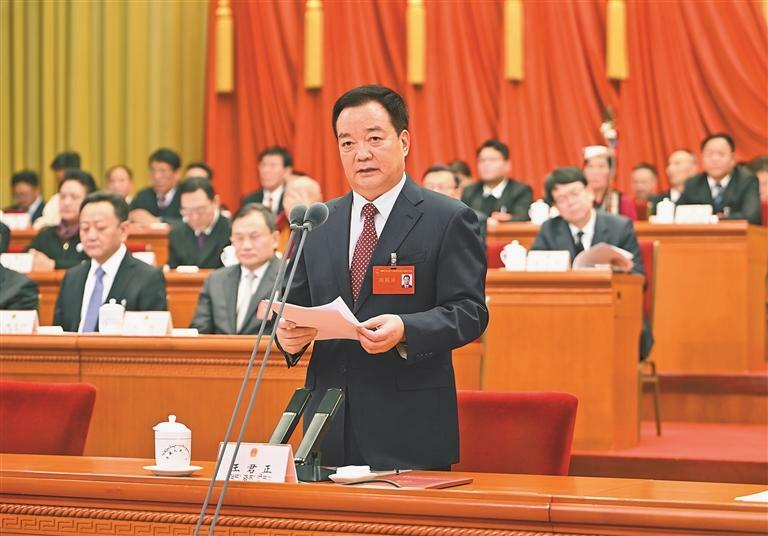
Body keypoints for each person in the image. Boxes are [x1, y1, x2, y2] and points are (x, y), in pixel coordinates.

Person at [276, 85, 488, 470]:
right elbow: (295, 307)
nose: (361, 153)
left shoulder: (448, 218)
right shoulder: (318, 222)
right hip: (327, 429)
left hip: (409, 429)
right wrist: (287, 337)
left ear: (404, 141)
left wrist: (406, 328)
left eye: (374, 138)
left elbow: (470, 312)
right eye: (347, 143)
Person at [531, 167, 652, 359]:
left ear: (589, 192)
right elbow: (536, 271)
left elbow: (640, 278)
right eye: (561, 199)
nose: (571, 202)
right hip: (565, 314)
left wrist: (617, 271)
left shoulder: (619, 227)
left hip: (613, 313)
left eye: (575, 193)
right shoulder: (549, 230)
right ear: (555, 206)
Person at [53, 192, 167, 332]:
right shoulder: (72, 277)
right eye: (85, 228)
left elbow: (152, 337)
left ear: (123, 230)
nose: (91, 236)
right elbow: (58, 334)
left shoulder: (148, 278)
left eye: (100, 228)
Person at [190, 204, 281, 334]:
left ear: (275, 239)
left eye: (254, 236)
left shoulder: (289, 279)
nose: (246, 246)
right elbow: (199, 331)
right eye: (239, 238)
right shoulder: (216, 280)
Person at [677, 133, 761, 225]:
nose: (715, 159)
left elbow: (751, 216)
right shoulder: (693, 183)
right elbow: (677, 214)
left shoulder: (747, 181)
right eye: (710, 154)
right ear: (702, 158)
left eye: (721, 154)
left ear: (732, 158)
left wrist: (715, 219)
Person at [26, 170, 96, 270]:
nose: (66, 202)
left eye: (74, 197)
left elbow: (95, 265)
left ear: (89, 200)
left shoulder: (94, 235)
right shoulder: (46, 234)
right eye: (62, 197)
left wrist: (54, 265)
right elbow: (26, 258)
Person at [167, 177, 231, 269]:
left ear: (215, 202)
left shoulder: (231, 230)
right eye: (187, 211)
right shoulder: (176, 234)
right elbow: (172, 272)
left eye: (200, 210)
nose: (195, 217)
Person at [461, 139, 532, 221]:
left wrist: (507, 219)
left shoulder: (520, 191)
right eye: (482, 160)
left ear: (507, 165)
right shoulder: (469, 192)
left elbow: (522, 217)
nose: (486, 164)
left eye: (492, 160)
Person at [423, 165, 487, 242]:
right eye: (429, 187)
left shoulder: (473, 219)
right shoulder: (414, 218)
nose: (435, 191)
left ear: (457, 192)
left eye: (442, 187)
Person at [582, 145, 638, 220]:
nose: (595, 172)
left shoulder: (624, 202)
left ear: (611, 172)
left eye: (601, 167)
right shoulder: (576, 201)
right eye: (590, 166)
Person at [129, 148, 183, 224]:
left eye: (163, 171)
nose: (156, 176)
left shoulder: (186, 195)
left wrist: (159, 222)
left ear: (177, 174)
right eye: (153, 171)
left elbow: (190, 224)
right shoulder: (143, 196)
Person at [34, 151, 82, 229]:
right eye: (59, 181)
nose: (62, 185)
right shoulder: (56, 199)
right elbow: (41, 224)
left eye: (64, 179)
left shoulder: (89, 198)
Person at [277, 175, 323, 251]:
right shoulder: (279, 224)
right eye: (286, 196)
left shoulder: (324, 229)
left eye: (292, 196)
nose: (285, 203)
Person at [241, 146, 292, 215]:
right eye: (263, 165)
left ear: (286, 171)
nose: (266, 170)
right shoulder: (249, 201)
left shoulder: (293, 199)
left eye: (273, 166)